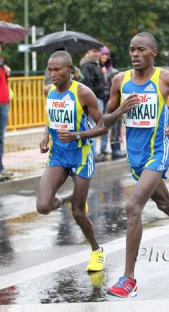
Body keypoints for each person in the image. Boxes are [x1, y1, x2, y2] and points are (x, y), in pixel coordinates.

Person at [104, 32, 169, 298]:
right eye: (131, 50)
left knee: (132, 205)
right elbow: (105, 121)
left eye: (140, 50)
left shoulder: (165, 79)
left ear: (153, 53)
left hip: (158, 151)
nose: (134, 54)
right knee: (165, 204)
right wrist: (118, 111)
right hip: (134, 156)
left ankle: (129, 279)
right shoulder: (119, 81)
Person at [37, 50, 107, 272]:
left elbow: (103, 126)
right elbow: (50, 118)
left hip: (81, 154)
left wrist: (77, 135)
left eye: (57, 70)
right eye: (50, 70)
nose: (53, 74)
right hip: (58, 154)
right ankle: (68, 198)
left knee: (78, 212)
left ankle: (96, 250)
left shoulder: (83, 93)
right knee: (43, 206)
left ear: (70, 70)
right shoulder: (49, 91)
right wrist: (46, 134)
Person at [99, 47, 125, 160]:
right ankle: (104, 149)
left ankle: (116, 149)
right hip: (103, 99)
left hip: (112, 99)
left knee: (117, 124)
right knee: (104, 125)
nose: (104, 56)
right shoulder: (97, 68)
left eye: (106, 54)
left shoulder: (111, 69)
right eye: (102, 54)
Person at [79, 48, 105, 157]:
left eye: (99, 51)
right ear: (88, 51)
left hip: (98, 98)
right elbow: (86, 83)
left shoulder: (96, 65)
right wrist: (91, 98)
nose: (97, 53)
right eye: (94, 51)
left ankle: (92, 153)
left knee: (94, 127)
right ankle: (91, 154)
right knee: (92, 128)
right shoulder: (87, 65)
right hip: (93, 100)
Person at [0, 42, 14, 180]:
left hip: (4, 102)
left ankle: (0, 168)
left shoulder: (2, 62)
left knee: (0, 138)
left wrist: (6, 70)